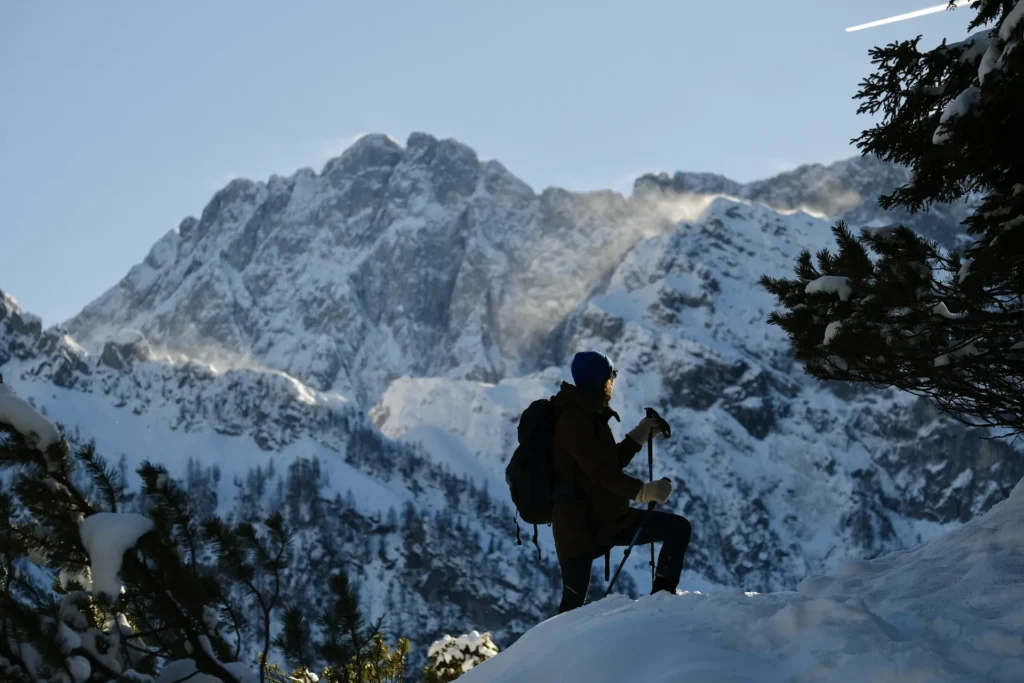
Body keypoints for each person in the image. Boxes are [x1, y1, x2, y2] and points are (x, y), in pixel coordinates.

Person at [551, 350, 692, 613]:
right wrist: (643, 491)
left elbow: (605, 462)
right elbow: (601, 472)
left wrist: (639, 435)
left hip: (606, 520)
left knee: (678, 528)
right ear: (602, 381)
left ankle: (661, 601)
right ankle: (550, 653)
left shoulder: (588, 414)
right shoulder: (574, 420)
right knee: (572, 606)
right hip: (578, 529)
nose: (613, 384)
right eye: (611, 377)